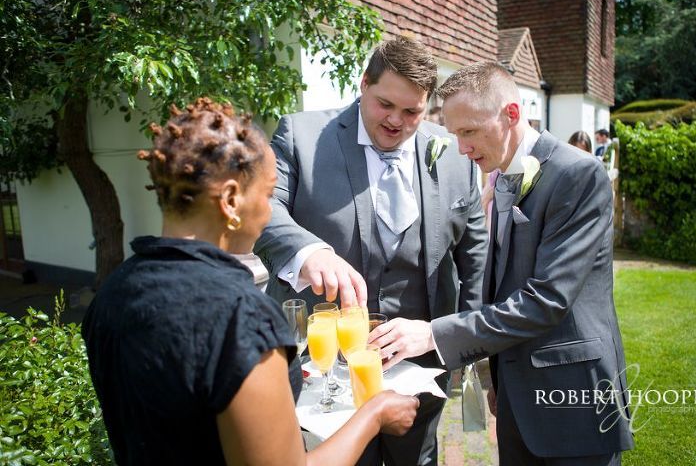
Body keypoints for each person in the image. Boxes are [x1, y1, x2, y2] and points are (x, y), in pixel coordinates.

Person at [82, 98, 419, 466]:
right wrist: (374, 414)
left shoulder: (112, 294)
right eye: (268, 193)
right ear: (230, 200)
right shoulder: (240, 317)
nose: (271, 209)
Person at [370, 62, 634, 465]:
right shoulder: (504, 176)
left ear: (511, 115)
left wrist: (433, 335)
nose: (460, 147)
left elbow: (546, 300)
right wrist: (498, 377)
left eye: (469, 131)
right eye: (455, 133)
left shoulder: (578, 175)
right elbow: (503, 286)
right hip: (518, 394)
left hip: (573, 398)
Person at [254, 37, 487, 466]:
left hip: (421, 362)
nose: (396, 121)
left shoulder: (454, 153)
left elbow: (476, 258)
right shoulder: (301, 135)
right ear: (363, 84)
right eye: (385, 104)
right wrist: (308, 252)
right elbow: (261, 206)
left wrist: (461, 343)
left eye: (412, 111)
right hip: (325, 364)